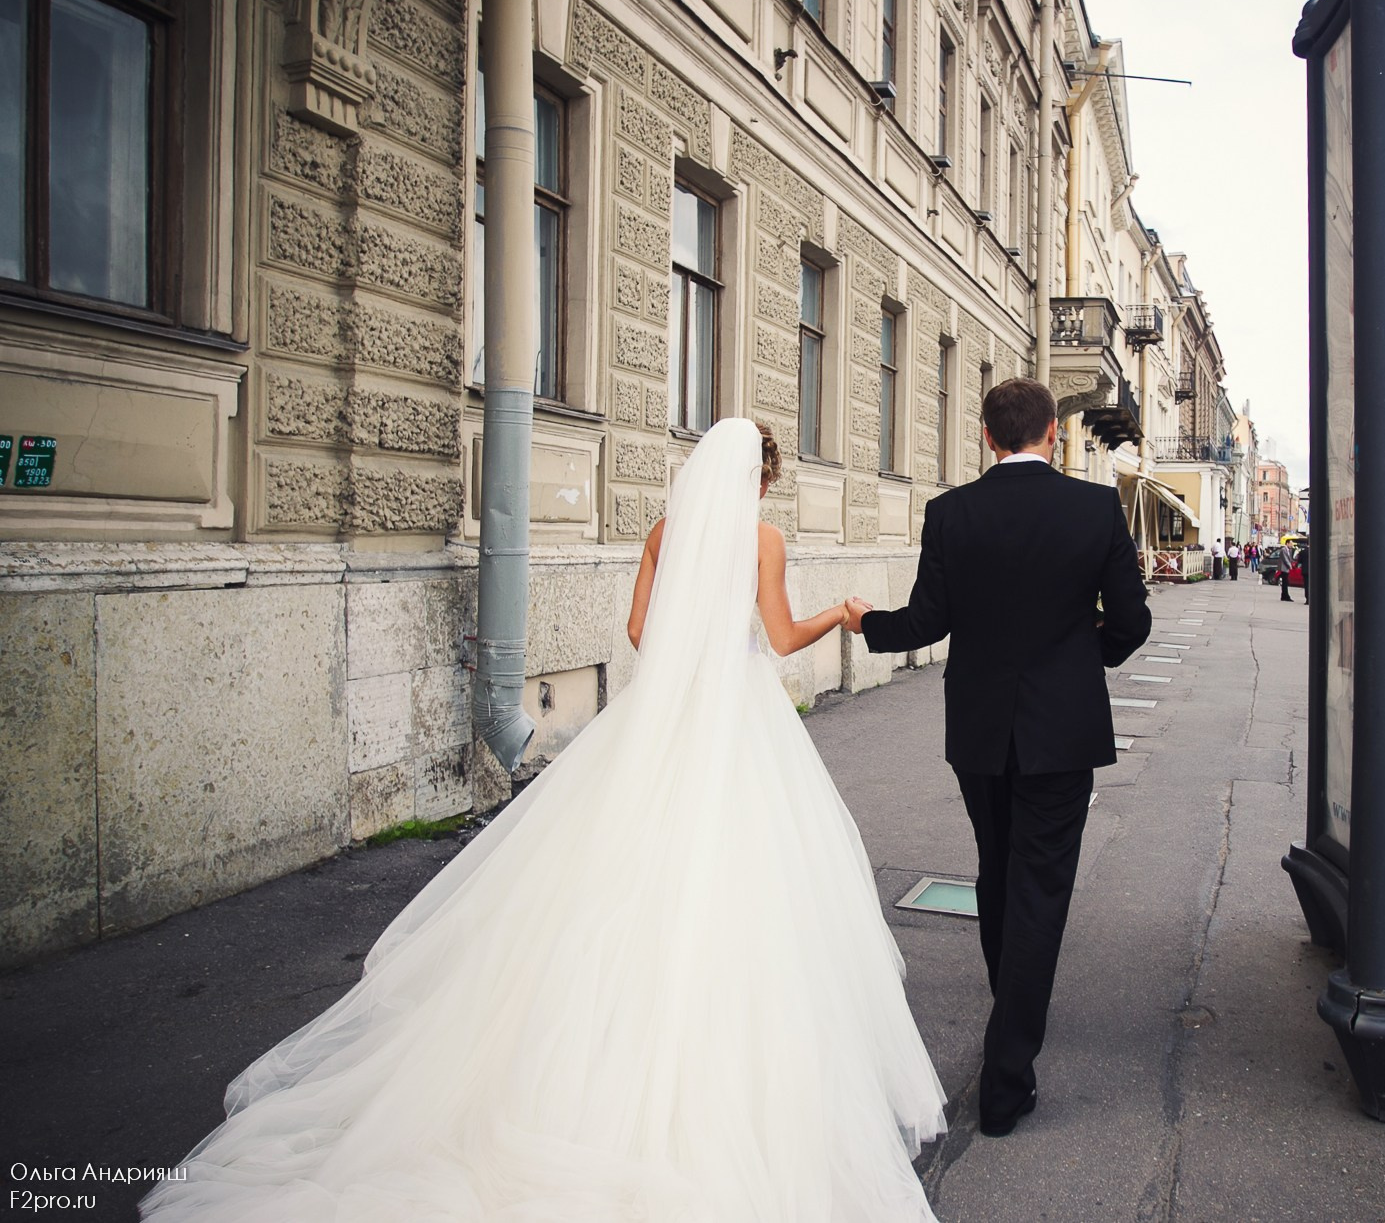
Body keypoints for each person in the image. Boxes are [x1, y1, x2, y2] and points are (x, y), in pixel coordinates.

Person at [141, 420, 947, 1222]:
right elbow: (776, 635)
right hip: (740, 718)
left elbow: (639, 632)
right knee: (747, 887)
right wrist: (840, 615)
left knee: (614, 873)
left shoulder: (666, 532)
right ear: (760, 480)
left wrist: (690, 649)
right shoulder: (764, 542)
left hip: (664, 715)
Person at [855, 378, 1151, 1139]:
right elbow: (1132, 620)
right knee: (1040, 887)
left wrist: (866, 625)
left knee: (999, 866)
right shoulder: (1092, 508)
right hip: (1062, 730)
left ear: (988, 437)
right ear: (1052, 432)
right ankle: (1005, 1077)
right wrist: (1088, 661)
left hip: (981, 732)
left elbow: (926, 620)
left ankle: (1008, 993)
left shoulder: (951, 512)